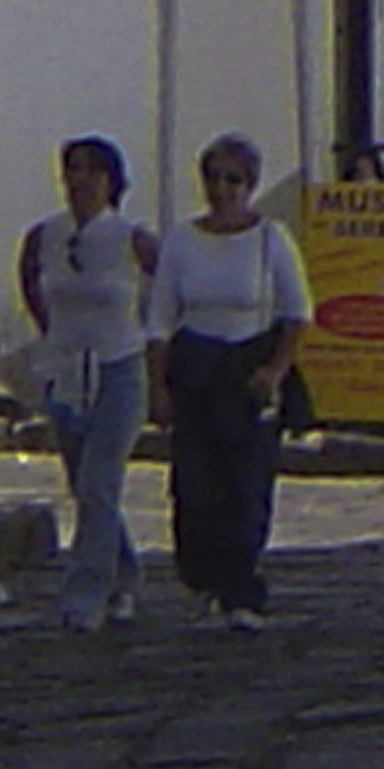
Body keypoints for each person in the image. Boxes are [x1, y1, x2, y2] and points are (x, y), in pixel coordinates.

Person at [151, 135, 313, 630]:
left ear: (251, 185)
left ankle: (241, 589)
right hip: (197, 368)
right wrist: (158, 386)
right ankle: (203, 581)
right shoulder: (182, 241)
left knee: (246, 484)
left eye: (233, 180)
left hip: (248, 373)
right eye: (214, 178)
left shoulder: (271, 239)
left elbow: (296, 311)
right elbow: (159, 319)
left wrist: (275, 370)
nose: (222, 190)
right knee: (196, 486)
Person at [15, 133, 159, 630]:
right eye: (73, 170)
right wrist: (50, 334)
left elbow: (169, 286)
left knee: (101, 482)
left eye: (93, 172)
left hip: (118, 367)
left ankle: (86, 593)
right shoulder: (46, 235)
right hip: (66, 370)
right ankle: (125, 572)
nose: (81, 181)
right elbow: (32, 279)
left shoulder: (129, 238)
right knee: (85, 485)